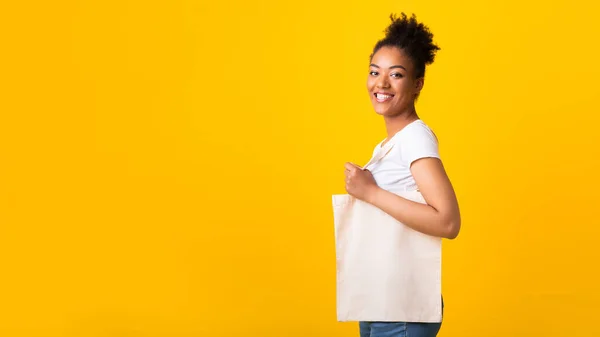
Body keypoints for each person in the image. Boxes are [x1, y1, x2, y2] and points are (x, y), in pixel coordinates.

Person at [343, 13, 461, 337]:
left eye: (396, 75)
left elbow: (448, 222)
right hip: (379, 300)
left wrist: (370, 193)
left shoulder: (416, 138)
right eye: (374, 72)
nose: (381, 84)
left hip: (402, 307)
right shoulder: (390, 145)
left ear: (417, 83)